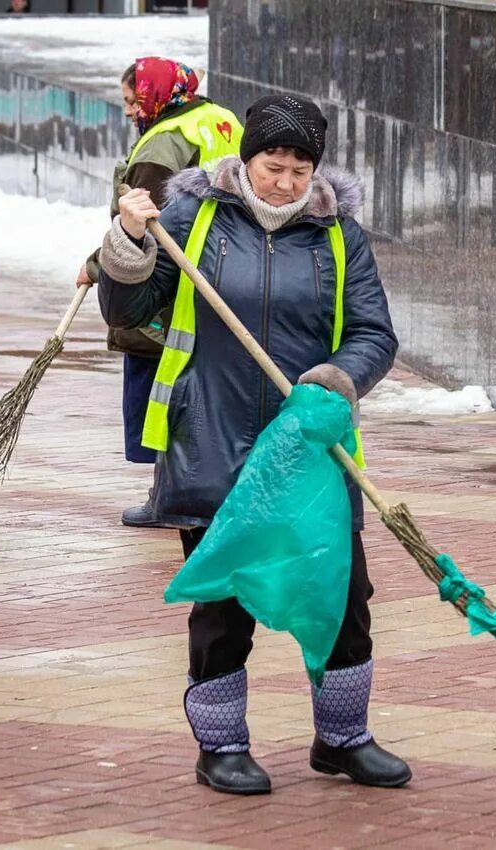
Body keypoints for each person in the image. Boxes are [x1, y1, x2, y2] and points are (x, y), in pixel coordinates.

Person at [97, 94, 409, 795]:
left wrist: (336, 379)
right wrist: (130, 242)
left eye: (302, 169)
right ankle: (222, 746)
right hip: (210, 437)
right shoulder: (193, 219)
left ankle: (343, 738)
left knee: (341, 593)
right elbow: (128, 312)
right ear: (247, 158)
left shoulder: (338, 237)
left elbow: (374, 334)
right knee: (225, 602)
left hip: (309, 449)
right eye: (275, 165)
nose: (288, 182)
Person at [78, 57, 241, 529]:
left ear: (155, 93)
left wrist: (96, 264)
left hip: (166, 285)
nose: (129, 110)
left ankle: (168, 495)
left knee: (159, 389)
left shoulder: (164, 141)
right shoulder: (220, 120)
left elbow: (143, 221)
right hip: (222, 270)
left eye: (133, 100)